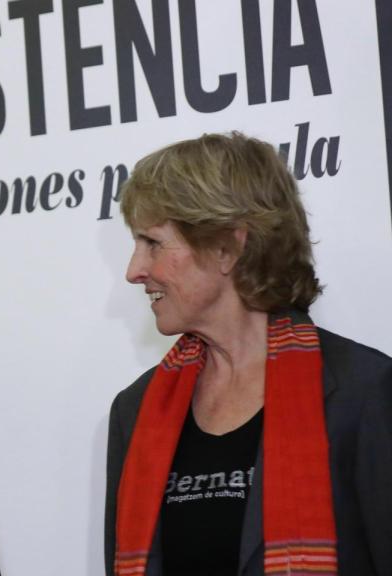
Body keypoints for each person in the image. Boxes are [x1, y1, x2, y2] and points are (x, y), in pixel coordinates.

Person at [104, 132, 392, 576]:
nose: (134, 271)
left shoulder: (365, 393)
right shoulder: (135, 411)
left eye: (153, 243)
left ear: (227, 247)